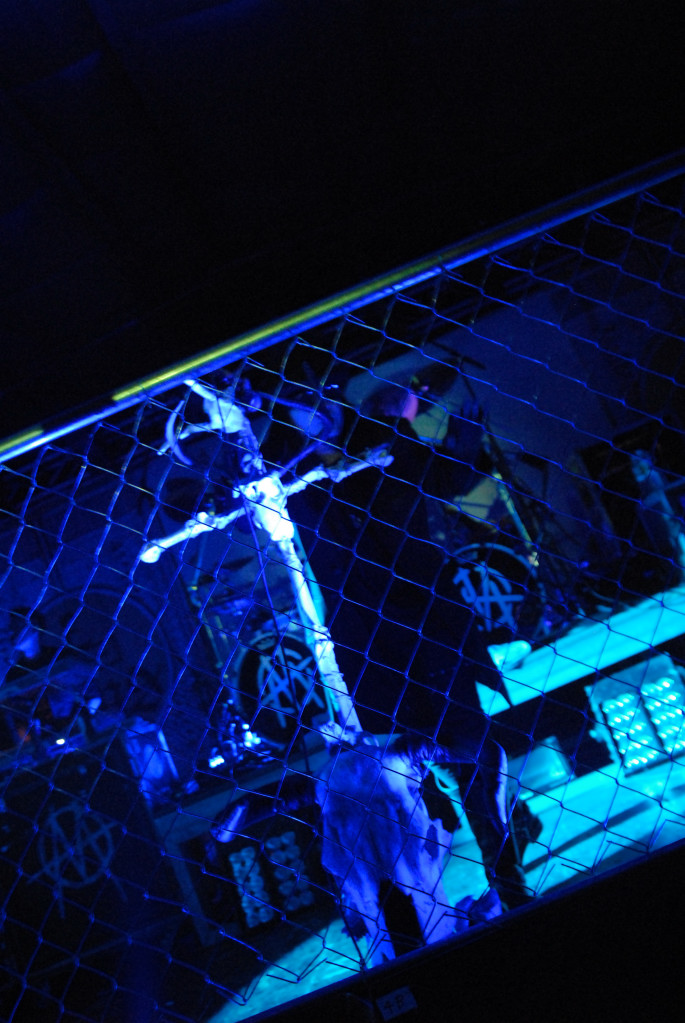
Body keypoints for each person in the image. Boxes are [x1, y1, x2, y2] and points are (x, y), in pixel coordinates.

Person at [287, 382, 534, 909]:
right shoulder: (290, 476)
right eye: (301, 405)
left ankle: (508, 877)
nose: (315, 412)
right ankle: (471, 867)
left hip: (428, 626)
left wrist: (458, 438)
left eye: (320, 399)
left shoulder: (384, 442)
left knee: (470, 750)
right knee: (419, 768)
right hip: (373, 645)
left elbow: (446, 477)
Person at [1, 607, 100, 758]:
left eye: (17, 625)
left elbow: (93, 693)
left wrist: (84, 720)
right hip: (41, 741)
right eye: (11, 627)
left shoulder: (60, 657)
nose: (11, 632)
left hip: (75, 730)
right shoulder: (15, 673)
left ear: (34, 626)